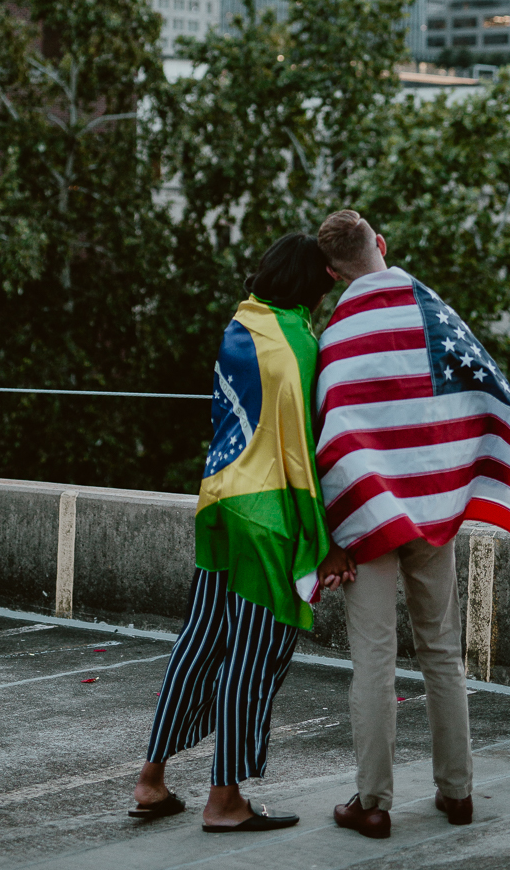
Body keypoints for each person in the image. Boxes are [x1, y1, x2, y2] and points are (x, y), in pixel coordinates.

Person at [314, 210, 510, 841]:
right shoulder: (434, 313)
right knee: (442, 651)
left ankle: (372, 803)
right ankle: (456, 792)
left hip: (367, 519)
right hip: (435, 512)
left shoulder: (334, 335)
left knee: (373, 659)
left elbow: (328, 434)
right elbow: (478, 394)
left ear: (331, 272)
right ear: (381, 244)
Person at [130, 232, 355, 833]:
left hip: (220, 501)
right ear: (312, 286)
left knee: (200, 639)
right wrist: (327, 543)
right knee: (251, 659)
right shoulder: (297, 344)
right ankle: (224, 799)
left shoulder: (242, 323)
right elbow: (302, 453)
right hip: (267, 517)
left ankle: (151, 780)